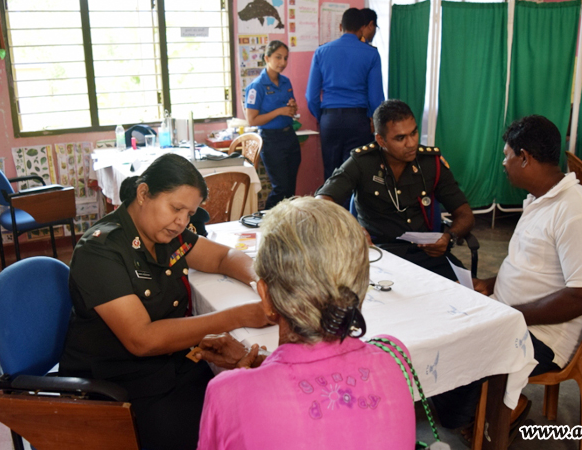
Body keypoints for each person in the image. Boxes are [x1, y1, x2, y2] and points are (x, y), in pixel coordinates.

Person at [58, 153, 269, 450]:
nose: (182, 222)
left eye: (189, 213)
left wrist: (260, 284)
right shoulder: (100, 250)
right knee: (218, 432)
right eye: (176, 208)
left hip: (170, 365)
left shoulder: (168, 236)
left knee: (245, 411)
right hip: (119, 382)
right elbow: (141, 339)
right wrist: (237, 316)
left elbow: (224, 257)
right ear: (144, 193)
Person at [433, 115, 582, 441]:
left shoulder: (577, 212)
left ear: (525, 157)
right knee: (442, 327)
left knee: (458, 355)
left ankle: (483, 417)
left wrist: (514, 315)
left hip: (543, 335)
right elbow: (534, 269)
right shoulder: (540, 201)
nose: (504, 162)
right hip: (514, 314)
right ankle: (470, 412)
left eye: (507, 155)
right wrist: (491, 283)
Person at [196, 197, 417, 449]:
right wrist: (256, 360)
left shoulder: (228, 394)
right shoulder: (395, 356)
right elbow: (320, 371)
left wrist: (248, 382)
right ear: (360, 288)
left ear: (266, 299)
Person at [316, 99, 474, 281]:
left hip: (426, 255)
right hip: (380, 255)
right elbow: (322, 201)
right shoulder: (362, 162)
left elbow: (465, 214)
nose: (411, 143)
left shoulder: (431, 163)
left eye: (414, 133)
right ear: (381, 140)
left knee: (468, 293)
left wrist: (449, 237)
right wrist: (351, 229)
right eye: (400, 138)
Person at [306, 7, 385, 180]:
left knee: (332, 176)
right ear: (362, 28)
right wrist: (373, 119)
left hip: (330, 120)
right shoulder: (371, 54)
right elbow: (376, 97)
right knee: (357, 174)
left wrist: (323, 117)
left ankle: (331, 207)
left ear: (341, 26)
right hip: (358, 121)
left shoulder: (321, 52)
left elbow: (311, 96)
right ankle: (351, 208)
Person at [244, 40, 301, 209]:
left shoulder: (286, 82)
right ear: (267, 58)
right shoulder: (256, 87)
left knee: (290, 190)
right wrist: (280, 111)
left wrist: (292, 108)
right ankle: (266, 222)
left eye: (285, 58)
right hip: (271, 140)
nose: (282, 63)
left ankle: (286, 227)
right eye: (278, 57)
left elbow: (291, 108)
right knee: (280, 187)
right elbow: (252, 120)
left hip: (289, 136)